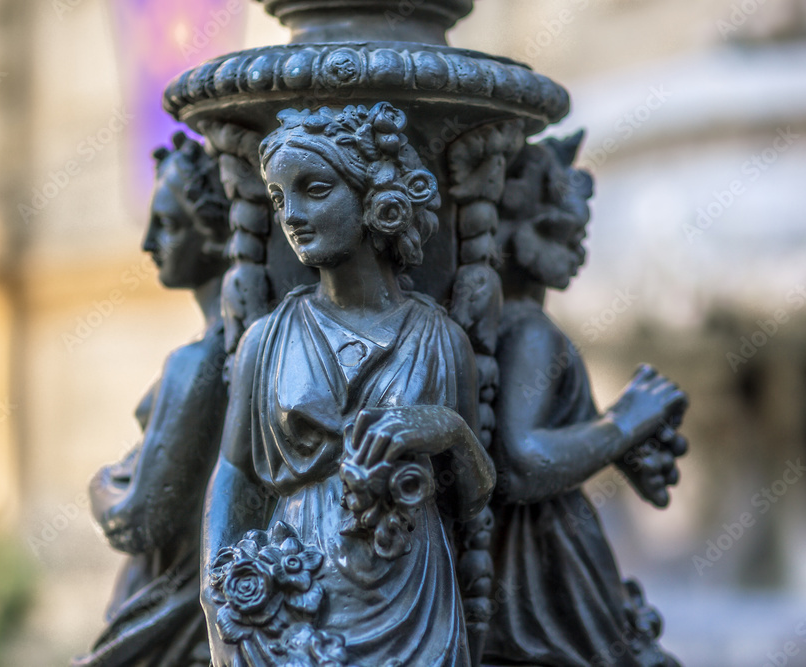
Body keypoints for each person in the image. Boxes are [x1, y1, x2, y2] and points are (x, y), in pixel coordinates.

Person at [200, 103, 496, 667]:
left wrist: (452, 431)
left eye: (314, 189)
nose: (292, 215)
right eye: (280, 198)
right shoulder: (266, 340)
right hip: (293, 590)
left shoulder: (440, 340)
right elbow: (234, 474)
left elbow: (476, 497)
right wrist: (217, 598)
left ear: (376, 199)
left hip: (412, 592)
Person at [482, 134, 687, 666]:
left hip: (542, 549)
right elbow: (524, 462)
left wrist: (621, 443)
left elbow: (547, 437)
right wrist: (623, 422)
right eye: (563, 234)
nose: (579, 252)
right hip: (545, 560)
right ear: (515, 233)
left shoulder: (519, 328)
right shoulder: (531, 334)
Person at [74, 131, 230, 667]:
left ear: (212, 237)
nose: (146, 243)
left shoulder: (198, 363)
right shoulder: (224, 347)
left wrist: (101, 482)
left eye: (166, 225)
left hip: (170, 609)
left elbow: (140, 518)